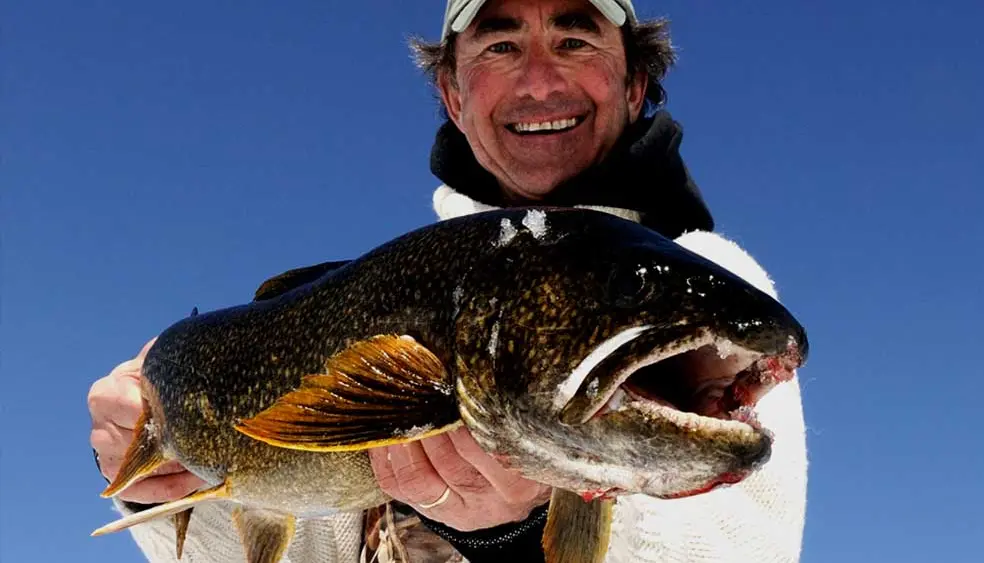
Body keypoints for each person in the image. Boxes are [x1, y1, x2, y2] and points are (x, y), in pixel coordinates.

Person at [87, 0, 809, 561]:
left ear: (635, 84)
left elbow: (742, 545)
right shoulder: (392, 293)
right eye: (500, 45)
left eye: (576, 39)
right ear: (454, 94)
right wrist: (161, 463)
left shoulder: (718, 279)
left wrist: (515, 537)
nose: (539, 78)